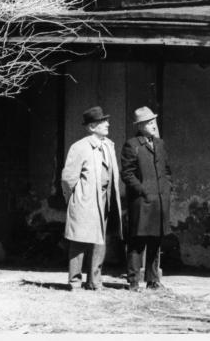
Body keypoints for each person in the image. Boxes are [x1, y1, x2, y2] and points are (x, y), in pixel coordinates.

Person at [60, 106, 123, 291]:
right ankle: (75, 282)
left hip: (104, 199)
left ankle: (95, 281)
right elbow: (68, 178)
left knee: (99, 240)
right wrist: (74, 198)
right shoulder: (79, 147)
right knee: (79, 240)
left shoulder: (109, 145)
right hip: (84, 200)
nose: (108, 124)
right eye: (103, 122)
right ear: (92, 127)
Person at [120, 106, 172, 291]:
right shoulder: (132, 144)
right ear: (140, 126)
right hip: (142, 202)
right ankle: (133, 281)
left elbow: (166, 171)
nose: (153, 125)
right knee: (137, 241)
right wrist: (142, 190)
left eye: (154, 122)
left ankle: (153, 280)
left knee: (155, 241)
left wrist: (167, 188)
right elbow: (127, 174)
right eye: (149, 123)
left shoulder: (160, 144)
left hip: (159, 200)